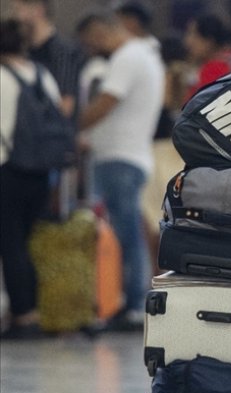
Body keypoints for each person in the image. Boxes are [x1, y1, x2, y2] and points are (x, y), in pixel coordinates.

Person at [76, 12, 165, 332]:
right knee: (130, 232)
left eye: (91, 42)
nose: (92, 49)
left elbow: (106, 102)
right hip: (129, 156)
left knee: (128, 234)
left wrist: (71, 128)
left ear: (102, 33)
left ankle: (132, 306)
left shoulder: (128, 57)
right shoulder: (144, 55)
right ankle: (130, 302)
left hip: (120, 158)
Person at [0, 19, 61, 340]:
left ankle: (23, 316)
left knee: (11, 244)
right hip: (40, 171)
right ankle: (28, 311)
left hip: (7, 168)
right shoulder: (41, 74)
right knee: (24, 243)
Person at [10, 0, 84, 118]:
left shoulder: (63, 52)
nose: (16, 18)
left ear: (38, 10)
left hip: (50, 131)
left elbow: (66, 105)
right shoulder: (24, 52)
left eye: (18, 10)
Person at [183, 12, 231, 100]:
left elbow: (197, 107)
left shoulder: (215, 68)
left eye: (193, 35)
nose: (188, 41)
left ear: (209, 41)